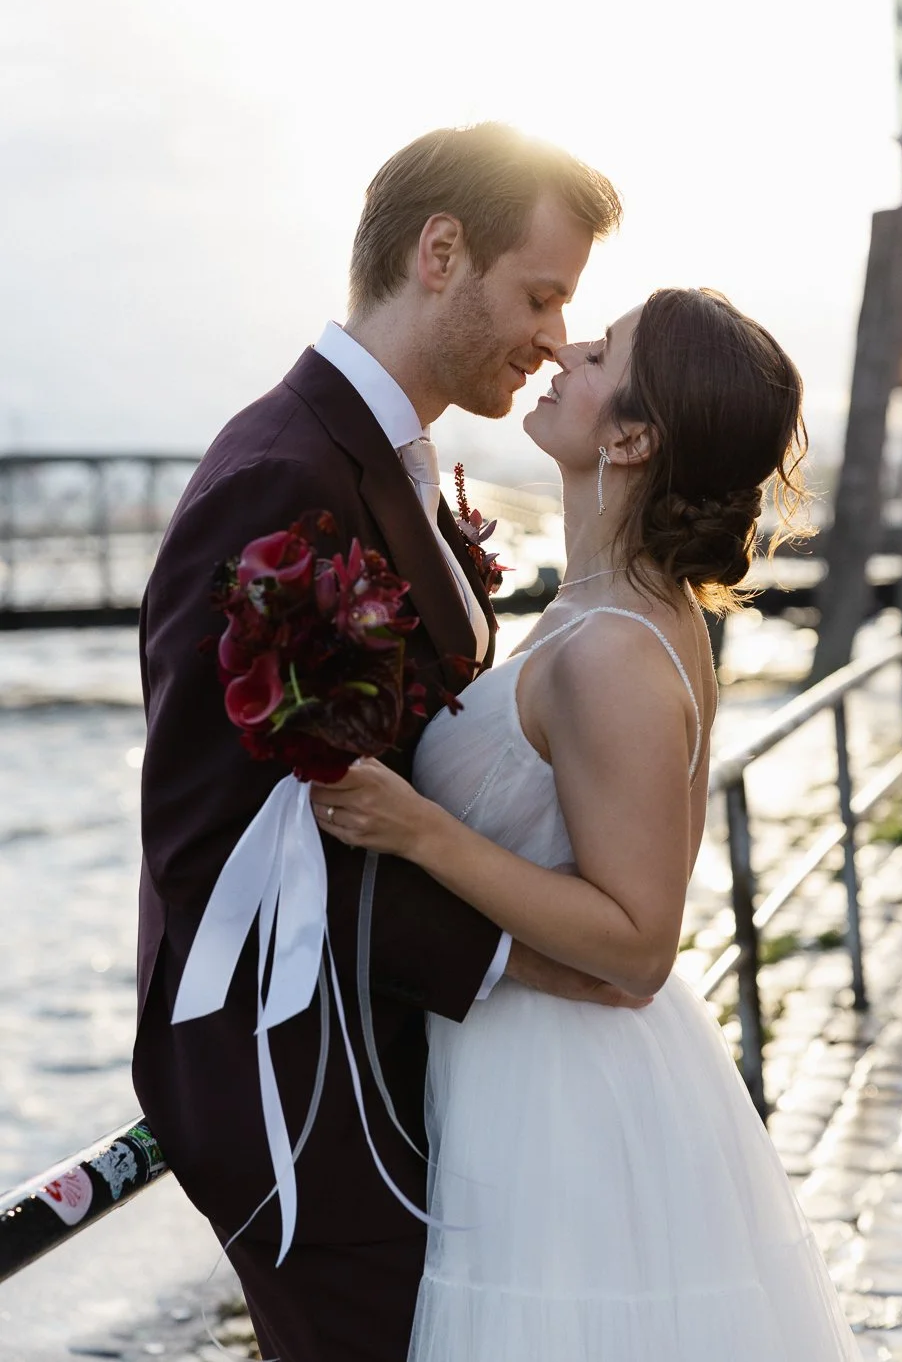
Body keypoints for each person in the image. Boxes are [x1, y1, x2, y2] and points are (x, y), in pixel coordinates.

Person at [132, 122, 625, 1362]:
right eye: (542, 295)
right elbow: (210, 847)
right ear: (442, 251)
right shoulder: (278, 476)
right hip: (307, 1091)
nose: (557, 337)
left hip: (396, 1060)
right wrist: (519, 956)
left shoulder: (385, 462)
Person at [313, 287, 863, 1360]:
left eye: (601, 351)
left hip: (566, 1095)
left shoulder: (615, 646)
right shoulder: (611, 606)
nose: (564, 349)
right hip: (532, 1061)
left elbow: (638, 944)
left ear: (633, 435)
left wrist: (420, 832)